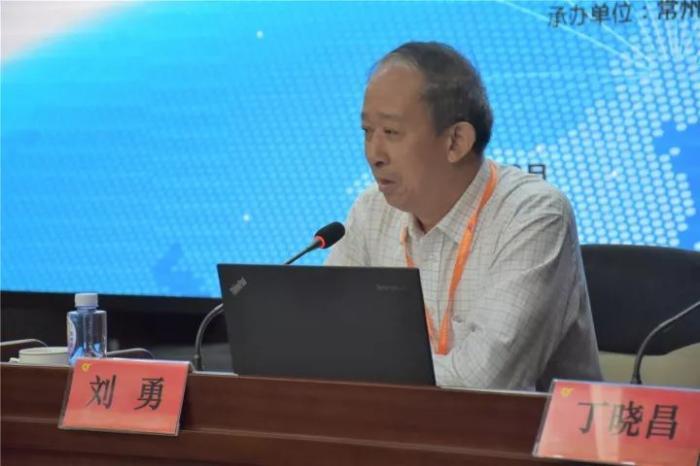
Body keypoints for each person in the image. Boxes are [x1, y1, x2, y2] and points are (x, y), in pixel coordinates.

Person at [326, 42, 602, 391]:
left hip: (515, 426)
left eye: (391, 133)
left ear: (456, 141)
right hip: (396, 420)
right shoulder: (372, 210)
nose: (373, 154)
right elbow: (326, 338)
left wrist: (361, 364)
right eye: (367, 132)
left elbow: (486, 381)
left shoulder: (533, 215)